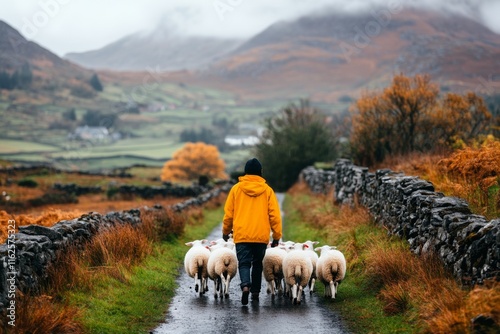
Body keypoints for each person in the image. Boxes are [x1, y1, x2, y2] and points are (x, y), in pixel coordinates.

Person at [222, 158, 282, 305]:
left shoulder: (236, 189)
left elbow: (229, 214)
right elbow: (274, 215)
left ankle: (245, 287)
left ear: (245, 172)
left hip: (242, 235)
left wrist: (226, 231)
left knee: (244, 263)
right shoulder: (267, 190)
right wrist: (276, 236)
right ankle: (255, 293)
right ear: (260, 172)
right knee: (257, 264)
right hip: (261, 236)